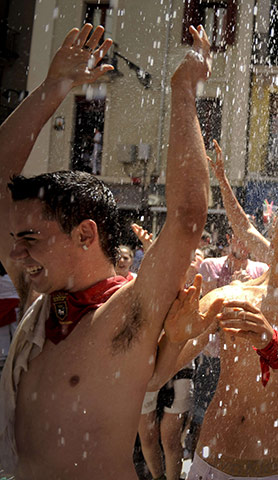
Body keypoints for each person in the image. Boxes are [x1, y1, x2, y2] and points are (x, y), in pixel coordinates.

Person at [0, 23, 213, 478]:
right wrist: (53, 88)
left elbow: (189, 216)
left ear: (84, 235)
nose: (15, 255)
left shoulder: (128, 312)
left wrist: (183, 92)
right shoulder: (37, 300)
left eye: (30, 239)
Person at [151, 186, 278, 479]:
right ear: (273, 224)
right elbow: (158, 375)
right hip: (209, 463)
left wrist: (273, 345)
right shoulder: (230, 296)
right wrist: (173, 335)